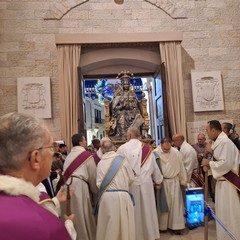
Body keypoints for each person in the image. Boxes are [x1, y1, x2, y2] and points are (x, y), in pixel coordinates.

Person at [0, 112, 72, 240]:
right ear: (35, 159)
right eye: (51, 147)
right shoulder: (44, 227)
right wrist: (69, 225)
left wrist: (56, 201)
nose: (52, 154)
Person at [117, 127, 163, 240]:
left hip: (130, 185)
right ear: (138, 135)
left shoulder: (122, 149)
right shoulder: (147, 148)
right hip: (146, 184)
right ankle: (150, 235)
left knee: (133, 211)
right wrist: (158, 180)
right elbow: (154, 167)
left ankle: (134, 236)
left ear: (128, 136)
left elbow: (118, 168)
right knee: (148, 210)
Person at [202, 120, 240, 240]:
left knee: (229, 214)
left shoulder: (225, 143)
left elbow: (226, 164)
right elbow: (220, 160)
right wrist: (210, 162)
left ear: (213, 130)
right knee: (223, 214)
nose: (207, 133)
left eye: (207, 130)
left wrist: (210, 163)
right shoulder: (219, 142)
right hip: (222, 184)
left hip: (228, 186)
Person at [96, 139, 135, 240]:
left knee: (108, 227)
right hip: (123, 196)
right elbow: (131, 178)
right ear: (113, 147)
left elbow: (99, 184)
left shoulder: (100, 163)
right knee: (124, 227)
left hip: (106, 198)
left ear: (103, 150)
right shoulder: (123, 160)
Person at [63, 133, 98, 240]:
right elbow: (93, 175)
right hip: (79, 186)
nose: (86, 142)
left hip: (66, 186)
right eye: (84, 140)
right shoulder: (86, 155)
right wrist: (94, 190)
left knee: (70, 211)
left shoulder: (68, 156)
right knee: (82, 214)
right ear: (80, 142)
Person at [153, 137, 187, 235]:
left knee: (176, 205)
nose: (167, 150)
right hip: (162, 182)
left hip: (174, 181)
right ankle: (163, 226)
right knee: (164, 205)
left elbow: (181, 166)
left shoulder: (176, 152)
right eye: (165, 149)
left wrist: (183, 180)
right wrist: (156, 182)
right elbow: (154, 168)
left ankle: (176, 226)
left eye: (168, 149)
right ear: (161, 145)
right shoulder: (155, 153)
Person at [109, 71, 145, 140]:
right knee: (122, 117)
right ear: (122, 85)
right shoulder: (118, 94)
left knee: (137, 116)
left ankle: (135, 135)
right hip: (121, 112)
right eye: (125, 84)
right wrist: (121, 106)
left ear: (129, 85)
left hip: (131, 111)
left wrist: (132, 107)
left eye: (127, 84)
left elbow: (136, 104)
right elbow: (114, 108)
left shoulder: (132, 93)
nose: (126, 86)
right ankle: (123, 135)